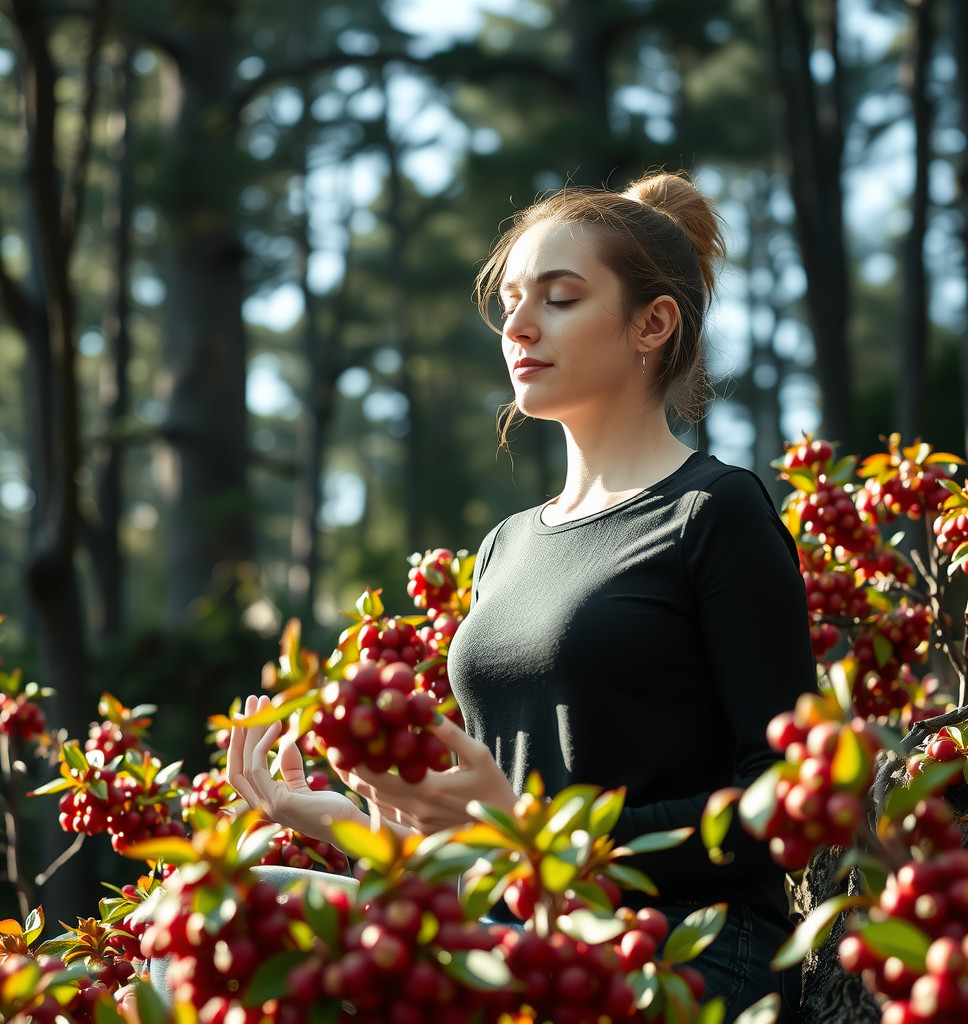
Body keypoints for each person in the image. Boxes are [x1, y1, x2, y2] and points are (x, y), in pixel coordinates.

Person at [228, 171, 816, 1021]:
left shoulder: (713, 513)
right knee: (221, 910)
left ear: (653, 323)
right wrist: (349, 817)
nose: (517, 326)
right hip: (516, 936)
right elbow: (484, 836)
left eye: (560, 298)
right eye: (509, 301)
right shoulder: (507, 544)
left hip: (677, 953)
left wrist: (532, 827)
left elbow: (786, 806)